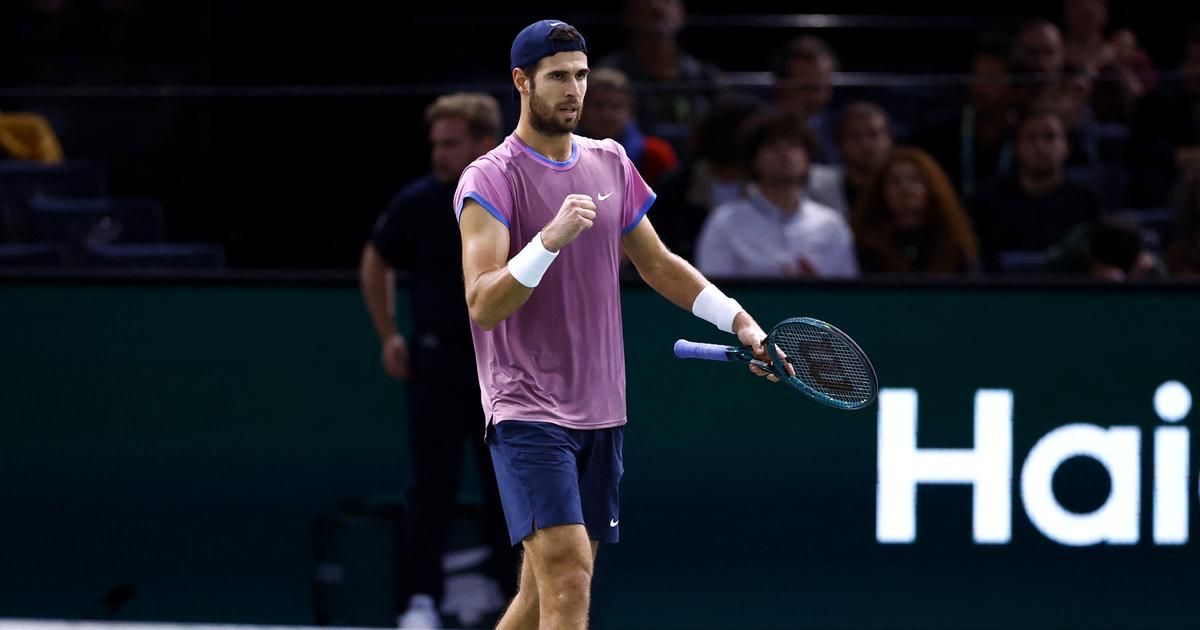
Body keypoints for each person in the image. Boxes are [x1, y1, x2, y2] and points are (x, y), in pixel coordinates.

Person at [453, 20, 783, 630]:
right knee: (570, 574)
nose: (572, 90)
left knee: (541, 592)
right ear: (522, 82)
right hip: (526, 406)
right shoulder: (489, 177)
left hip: (602, 411)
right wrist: (547, 241)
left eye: (579, 76)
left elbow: (658, 265)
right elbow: (483, 302)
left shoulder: (610, 162)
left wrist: (741, 321)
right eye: (558, 77)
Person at [359, 92, 517, 629]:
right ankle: (419, 602)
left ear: (483, 143)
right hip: (439, 366)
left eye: (451, 144)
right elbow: (376, 260)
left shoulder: (519, 197)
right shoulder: (420, 201)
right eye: (437, 144)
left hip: (506, 368)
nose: (440, 154)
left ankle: (514, 598)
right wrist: (389, 334)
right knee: (431, 487)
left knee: (510, 488)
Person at [696, 110, 857, 278]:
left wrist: (813, 288)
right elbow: (712, 294)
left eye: (793, 144)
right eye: (772, 144)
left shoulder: (832, 224)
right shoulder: (724, 223)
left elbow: (850, 295)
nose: (784, 151)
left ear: (807, 157)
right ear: (753, 159)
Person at [972, 105, 1102, 272]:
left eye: (1050, 137)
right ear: (1016, 147)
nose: (1041, 147)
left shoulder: (1086, 201)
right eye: (1030, 138)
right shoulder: (987, 200)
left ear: (1067, 146)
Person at [599, 0, 723, 149]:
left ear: (681, 15)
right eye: (645, 1)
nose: (656, 6)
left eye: (667, 1)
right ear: (629, 15)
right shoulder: (606, 75)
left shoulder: (705, 76)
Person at [852, 147, 980, 274]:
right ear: (880, 191)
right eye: (894, 181)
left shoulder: (954, 245)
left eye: (915, 179)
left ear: (932, 187)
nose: (905, 189)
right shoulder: (867, 246)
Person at [577, 67, 679, 187]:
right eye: (598, 105)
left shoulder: (656, 155)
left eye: (616, 106)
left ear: (629, 111)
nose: (607, 115)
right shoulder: (558, 156)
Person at [808, 101, 895, 218]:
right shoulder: (818, 186)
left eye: (874, 134)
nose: (866, 145)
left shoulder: (905, 186)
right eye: (854, 136)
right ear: (839, 144)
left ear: (889, 139)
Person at [772, 35, 840, 164]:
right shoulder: (764, 130)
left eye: (820, 87)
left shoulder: (841, 129)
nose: (815, 98)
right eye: (805, 88)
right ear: (781, 87)